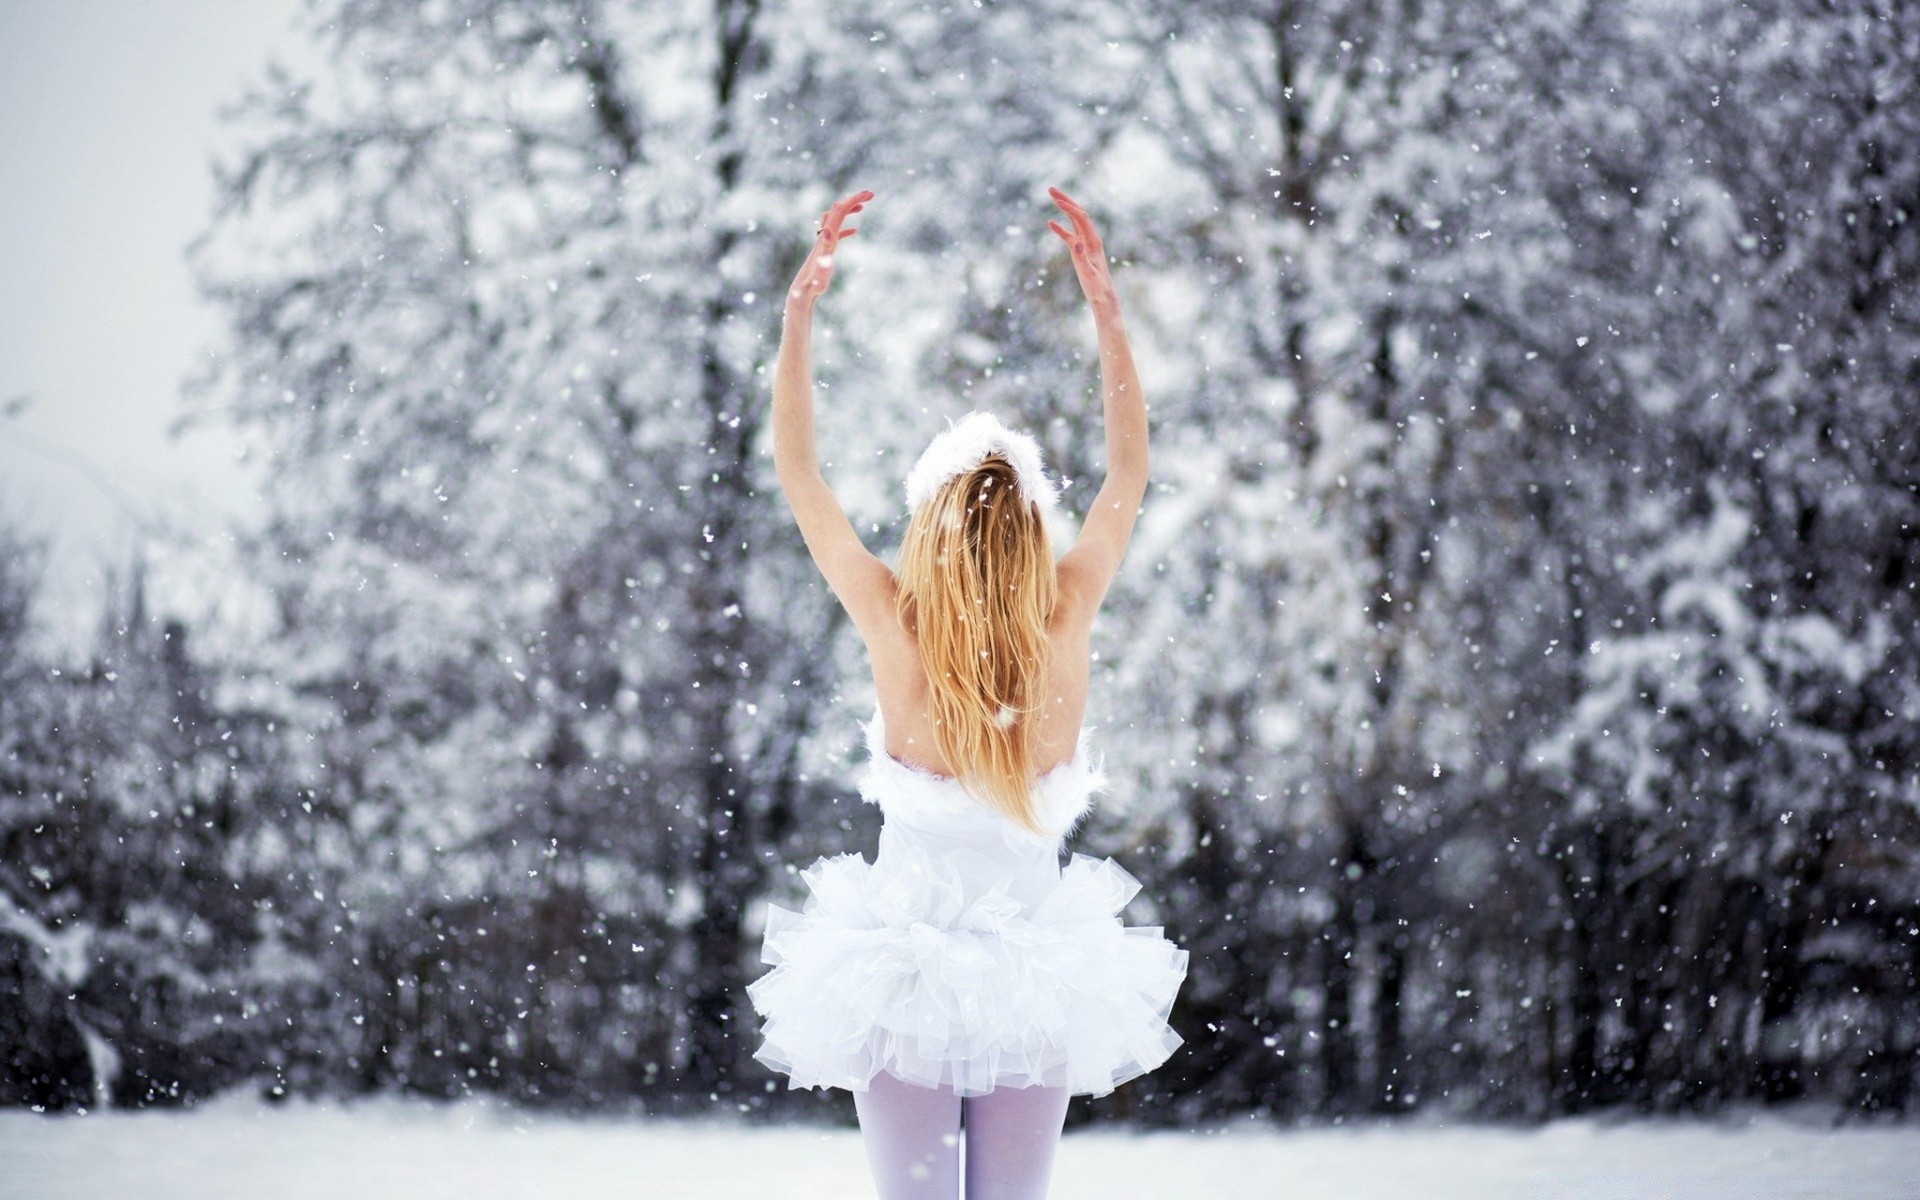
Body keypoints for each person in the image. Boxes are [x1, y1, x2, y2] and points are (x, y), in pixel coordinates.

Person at [746, 186, 1187, 1200]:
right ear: (1034, 532)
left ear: (930, 532)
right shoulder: (1067, 613)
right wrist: (1110, 318)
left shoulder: (897, 625)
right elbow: (1130, 469)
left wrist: (799, 317)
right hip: (1037, 978)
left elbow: (802, 476)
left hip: (900, 974)